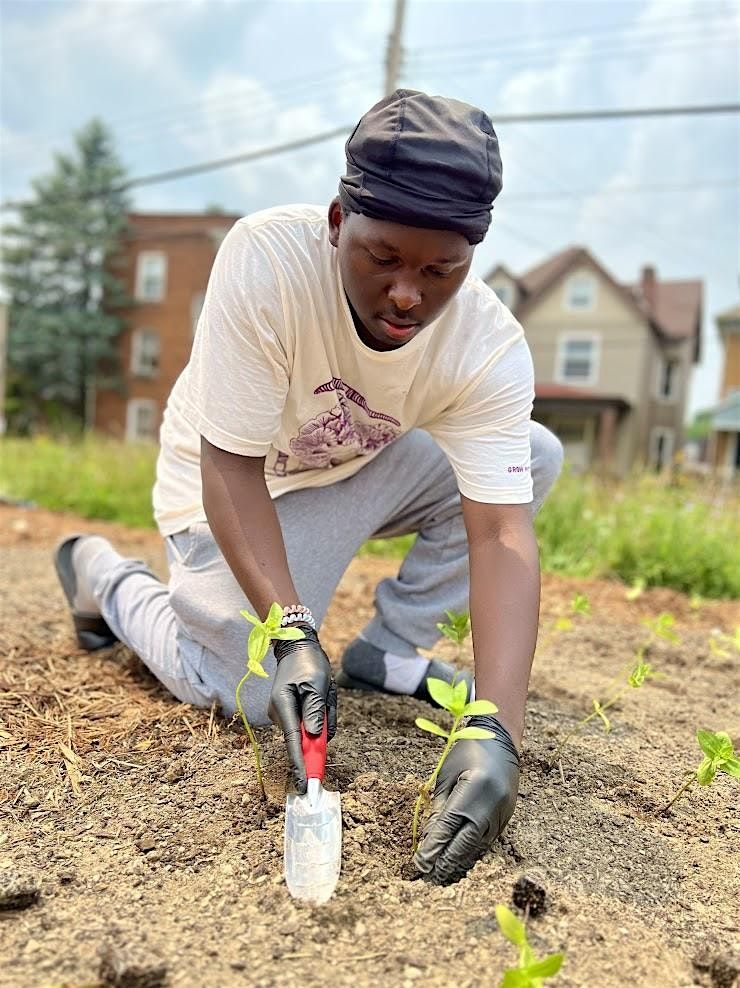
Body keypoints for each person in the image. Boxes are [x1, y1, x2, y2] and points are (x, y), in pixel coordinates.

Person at [54, 89, 563, 885]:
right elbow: (229, 465)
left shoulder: (487, 347)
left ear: (473, 257)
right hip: (229, 480)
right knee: (246, 687)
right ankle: (106, 578)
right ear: (336, 225)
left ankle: (387, 653)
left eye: (441, 271)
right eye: (382, 258)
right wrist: (289, 631)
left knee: (530, 457)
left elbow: (501, 532)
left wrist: (498, 729)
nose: (407, 294)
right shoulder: (269, 262)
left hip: (355, 468)